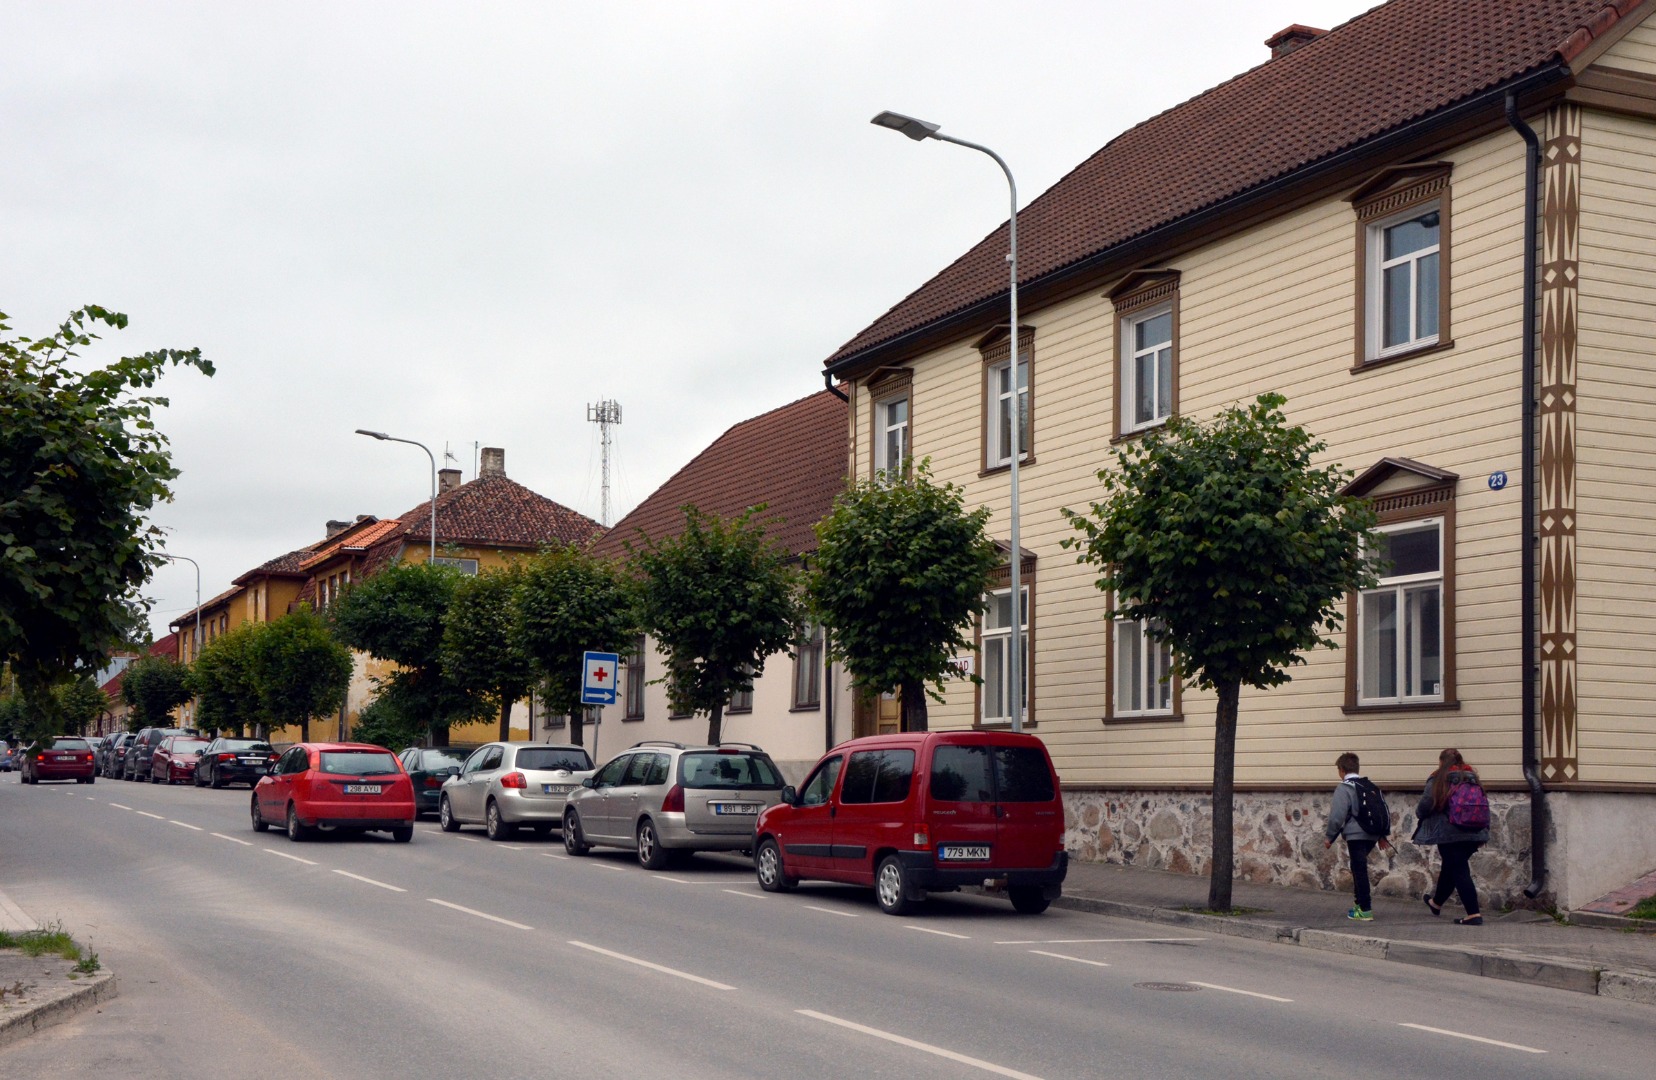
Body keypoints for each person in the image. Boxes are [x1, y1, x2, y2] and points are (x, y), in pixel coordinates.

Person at [1413, 748, 1490, 925]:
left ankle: (1473, 914)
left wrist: (1419, 814)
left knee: (1459, 870)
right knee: (1451, 867)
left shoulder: (1440, 777)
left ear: (1441, 762)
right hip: (1475, 830)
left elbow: (1426, 803)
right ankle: (1436, 903)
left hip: (1450, 832)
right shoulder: (1471, 777)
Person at [1324, 752, 1389, 921]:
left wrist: (1329, 837)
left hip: (1356, 834)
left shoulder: (1344, 788)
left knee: (1359, 869)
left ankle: (1365, 909)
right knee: (1357, 866)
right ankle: (1359, 904)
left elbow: (1337, 816)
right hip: (1373, 834)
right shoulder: (1371, 786)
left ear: (1341, 770)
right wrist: (1382, 835)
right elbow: (1383, 810)